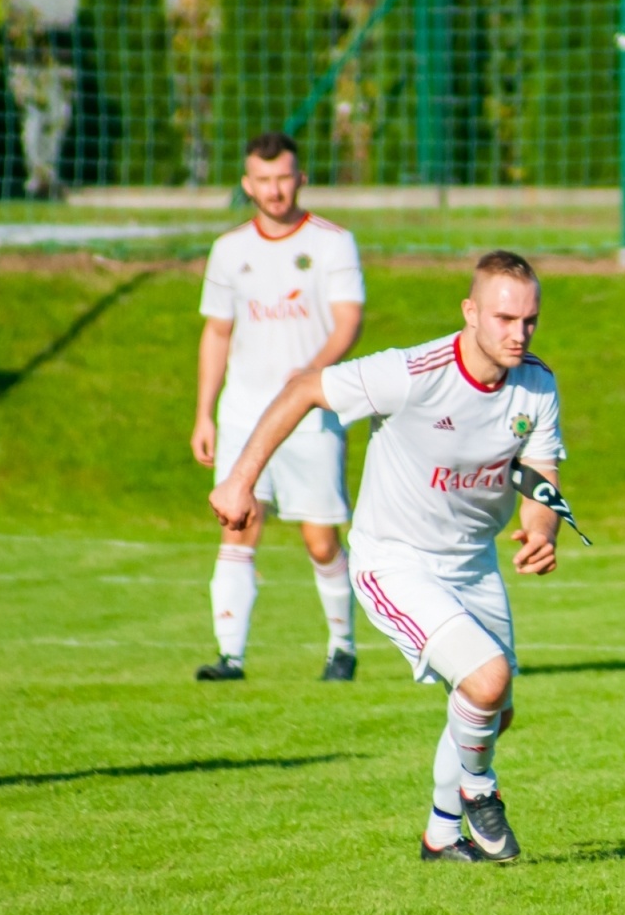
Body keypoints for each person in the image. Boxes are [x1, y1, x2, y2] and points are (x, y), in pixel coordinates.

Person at [209, 250, 565, 863]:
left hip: (473, 563)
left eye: (529, 320)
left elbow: (538, 468)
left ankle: (440, 834)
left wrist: (542, 528)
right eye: (505, 319)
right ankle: (480, 793)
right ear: (471, 312)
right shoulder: (411, 372)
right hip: (395, 561)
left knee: (491, 713)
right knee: (486, 682)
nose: (519, 333)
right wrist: (240, 480)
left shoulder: (537, 382)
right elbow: (302, 389)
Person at [192, 132, 366, 682]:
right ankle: (231, 656)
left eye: (283, 177)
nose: (274, 189)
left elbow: (348, 322)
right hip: (243, 411)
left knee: (319, 538)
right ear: (247, 185)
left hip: (310, 414)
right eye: (263, 180)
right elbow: (216, 333)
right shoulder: (229, 249)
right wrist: (204, 412)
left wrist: (309, 375)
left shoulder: (334, 243)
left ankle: (342, 647)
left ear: (301, 178)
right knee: (237, 523)